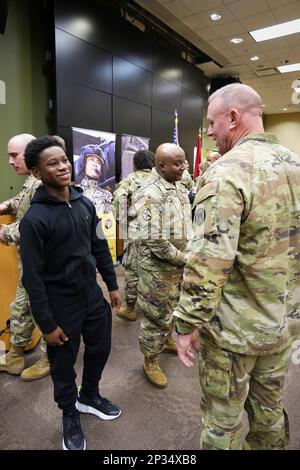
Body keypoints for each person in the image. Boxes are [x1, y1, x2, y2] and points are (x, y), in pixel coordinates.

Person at [173, 83, 300, 450]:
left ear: (233, 117)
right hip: (283, 324)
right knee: (270, 412)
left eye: (212, 123)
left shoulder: (227, 172)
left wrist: (185, 324)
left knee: (221, 421)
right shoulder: (295, 164)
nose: (209, 132)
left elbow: (208, 263)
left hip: (234, 333)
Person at [19, 136, 122, 450]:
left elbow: (99, 247)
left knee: (100, 348)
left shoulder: (84, 202)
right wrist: (47, 325)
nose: (62, 166)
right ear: (37, 173)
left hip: (92, 296)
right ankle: (69, 413)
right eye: (52, 163)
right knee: (63, 365)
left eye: (63, 160)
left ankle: (89, 395)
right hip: (60, 304)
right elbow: (33, 280)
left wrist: (113, 285)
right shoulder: (34, 221)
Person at [131, 143, 192, 388]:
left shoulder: (176, 185)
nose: (184, 167)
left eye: (184, 161)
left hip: (176, 265)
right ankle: (150, 359)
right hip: (158, 269)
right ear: (161, 166)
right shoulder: (148, 194)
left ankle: (166, 338)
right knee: (155, 315)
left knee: (172, 307)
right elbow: (155, 241)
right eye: (178, 163)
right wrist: (185, 258)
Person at [0, 133, 50, 381]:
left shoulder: (44, 182)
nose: (10, 161)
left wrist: (4, 232)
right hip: (28, 265)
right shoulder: (32, 180)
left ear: (31, 153)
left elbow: (36, 224)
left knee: (44, 313)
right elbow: (22, 202)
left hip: (43, 266)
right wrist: (5, 206)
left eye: (14, 155)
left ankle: (52, 358)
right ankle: (15, 356)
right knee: (20, 310)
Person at [113, 149, 155, 322]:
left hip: (138, 232)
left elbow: (118, 203)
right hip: (161, 232)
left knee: (132, 269)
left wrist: (125, 221)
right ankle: (153, 306)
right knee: (156, 268)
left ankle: (130, 309)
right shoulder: (161, 178)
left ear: (134, 165)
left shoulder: (130, 180)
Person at [78, 144, 112, 215]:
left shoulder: (107, 196)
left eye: (99, 162)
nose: (95, 164)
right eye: (91, 160)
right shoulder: (74, 191)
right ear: (84, 164)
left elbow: (108, 224)